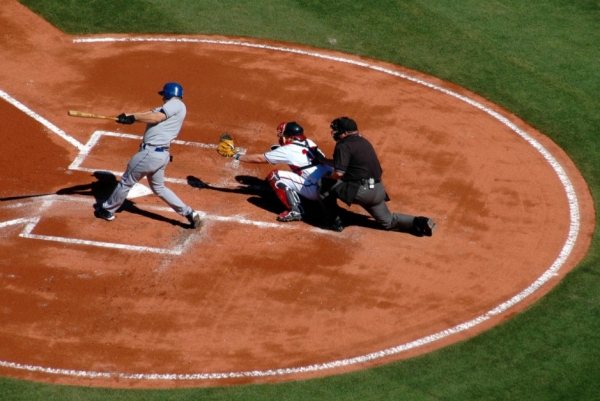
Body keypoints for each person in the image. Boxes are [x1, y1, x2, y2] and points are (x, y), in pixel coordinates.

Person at [94, 82, 201, 229]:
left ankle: (107, 210)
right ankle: (189, 213)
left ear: (169, 93)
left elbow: (156, 118)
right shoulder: (169, 109)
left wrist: (132, 117)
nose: (162, 97)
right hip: (160, 155)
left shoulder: (175, 104)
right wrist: (129, 117)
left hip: (150, 154)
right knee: (159, 188)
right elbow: (149, 116)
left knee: (126, 181)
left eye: (163, 94)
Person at [317, 116, 436, 236]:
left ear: (345, 133)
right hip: (377, 191)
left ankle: (334, 222)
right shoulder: (364, 142)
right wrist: (324, 160)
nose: (335, 133)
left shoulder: (343, 145)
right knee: (388, 222)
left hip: (361, 192)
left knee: (323, 183)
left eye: (337, 131)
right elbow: (345, 164)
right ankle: (421, 221)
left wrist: (329, 177)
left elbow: (339, 173)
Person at [232, 121, 333, 222]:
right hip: (333, 184)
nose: (281, 136)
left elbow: (259, 159)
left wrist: (236, 156)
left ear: (290, 136)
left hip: (316, 191)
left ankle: (296, 211)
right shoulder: (309, 142)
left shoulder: (286, 150)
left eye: (283, 134)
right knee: (300, 170)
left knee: (274, 176)